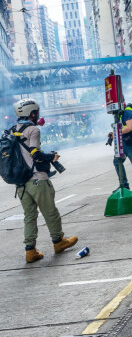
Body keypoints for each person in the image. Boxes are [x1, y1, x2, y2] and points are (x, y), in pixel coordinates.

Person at [11, 99, 77, 263]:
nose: (38, 114)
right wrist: (51, 157)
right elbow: (35, 153)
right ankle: (58, 242)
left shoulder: (12, 131)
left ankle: (30, 250)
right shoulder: (33, 130)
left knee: (29, 216)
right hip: (37, 180)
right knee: (50, 212)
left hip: (21, 184)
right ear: (31, 113)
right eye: (36, 111)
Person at [111, 101, 132, 194]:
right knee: (117, 161)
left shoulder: (127, 112)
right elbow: (123, 127)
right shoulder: (120, 113)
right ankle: (124, 185)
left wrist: (116, 133)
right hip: (126, 140)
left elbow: (129, 127)